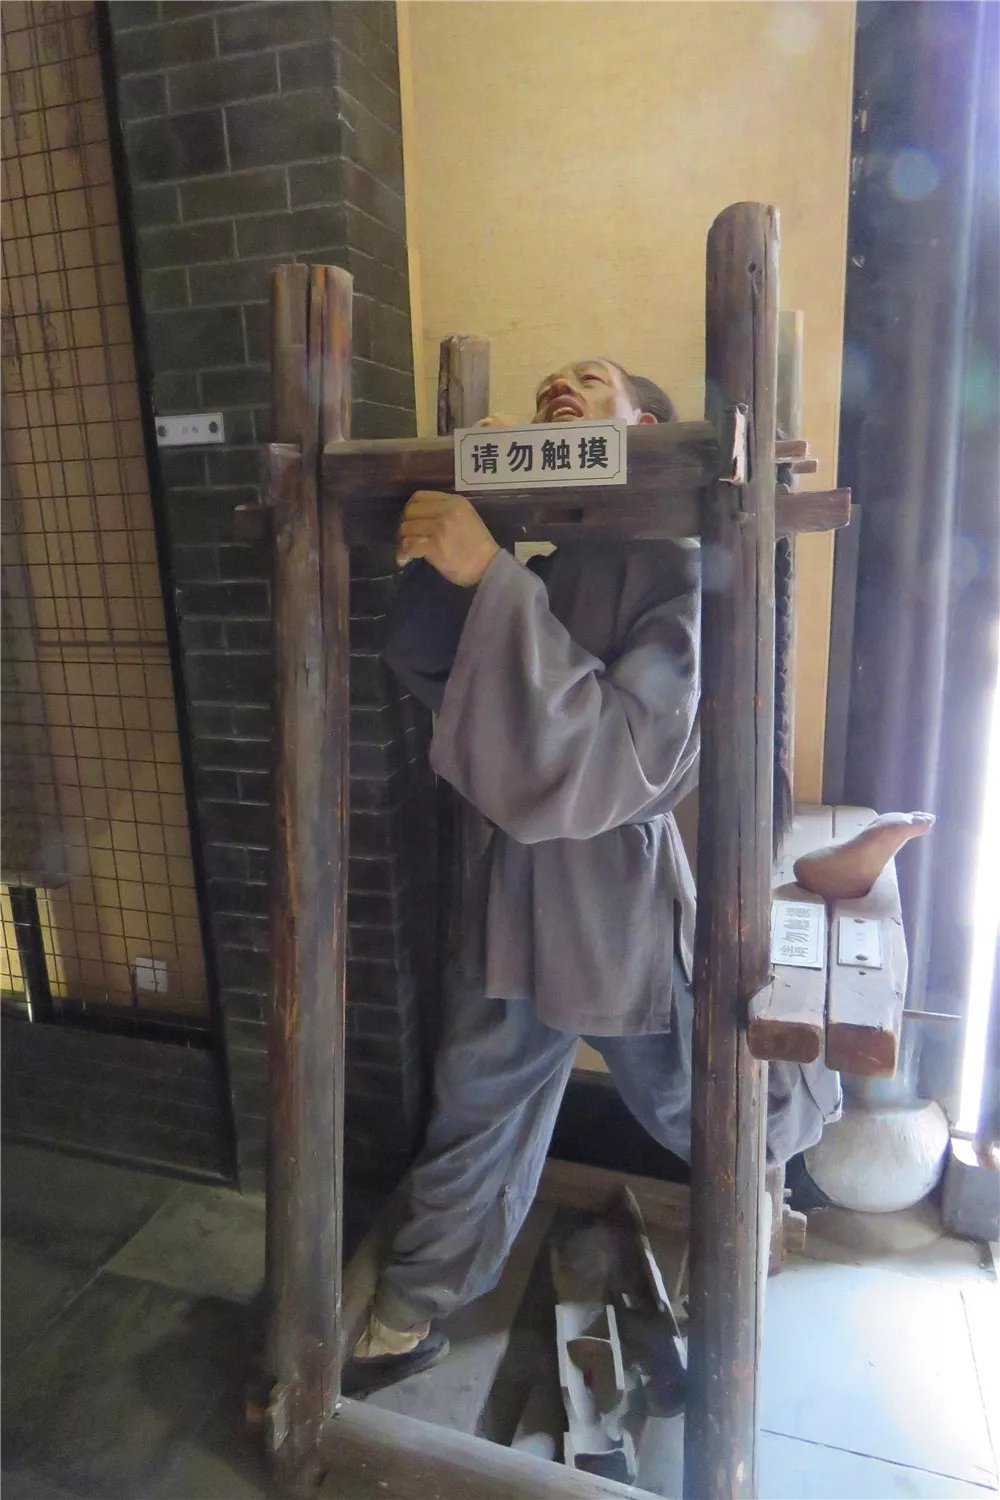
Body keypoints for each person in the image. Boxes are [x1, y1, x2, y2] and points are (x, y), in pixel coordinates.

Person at [343, 358, 842, 1395]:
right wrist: (474, 539)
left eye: (589, 379)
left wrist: (494, 578)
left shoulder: (673, 567)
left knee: (694, 1099)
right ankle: (411, 1306)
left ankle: (757, 1198)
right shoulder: (553, 556)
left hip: (618, 895)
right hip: (518, 889)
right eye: (547, 388)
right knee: (477, 1099)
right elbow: (437, 676)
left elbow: (622, 755)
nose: (558, 387)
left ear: (644, 425)